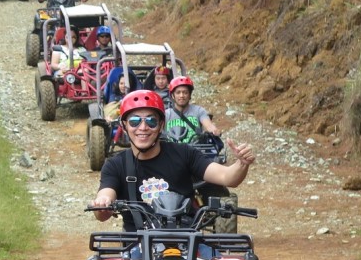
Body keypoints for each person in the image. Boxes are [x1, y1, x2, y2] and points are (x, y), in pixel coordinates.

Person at [91, 90, 254, 231]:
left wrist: (241, 163)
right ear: (124, 125)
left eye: (151, 121)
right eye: (134, 121)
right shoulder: (115, 164)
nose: (142, 128)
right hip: (136, 244)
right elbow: (104, 204)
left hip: (187, 240)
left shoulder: (184, 153)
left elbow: (227, 177)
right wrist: (103, 202)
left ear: (161, 125)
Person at [164, 75, 220, 143]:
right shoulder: (166, 114)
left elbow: (209, 125)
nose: (181, 96)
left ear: (190, 95)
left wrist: (214, 131)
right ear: (173, 95)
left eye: (185, 92)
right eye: (178, 92)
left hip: (195, 149)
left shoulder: (199, 111)